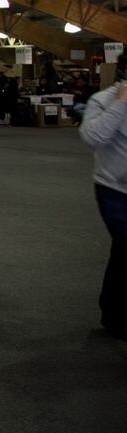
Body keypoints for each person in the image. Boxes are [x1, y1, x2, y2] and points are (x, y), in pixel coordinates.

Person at [80, 57, 127, 340]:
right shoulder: (102, 100)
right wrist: (121, 104)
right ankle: (116, 314)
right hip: (114, 191)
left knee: (122, 252)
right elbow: (92, 137)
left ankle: (112, 311)